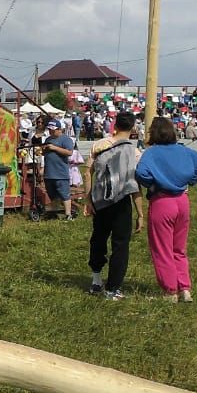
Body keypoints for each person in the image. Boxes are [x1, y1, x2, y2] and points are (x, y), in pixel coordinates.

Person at [135, 117, 197, 302]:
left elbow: (140, 174)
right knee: (179, 248)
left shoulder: (151, 153)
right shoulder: (183, 150)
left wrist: (153, 183)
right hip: (182, 201)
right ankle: (184, 288)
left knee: (162, 249)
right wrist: (190, 180)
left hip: (162, 201)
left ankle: (170, 291)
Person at [84, 112, 143, 300]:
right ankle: (113, 288)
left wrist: (88, 199)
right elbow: (134, 184)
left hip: (100, 199)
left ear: (115, 125)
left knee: (98, 238)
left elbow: (87, 172)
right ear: (133, 128)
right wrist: (140, 212)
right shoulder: (133, 152)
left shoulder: (99, 145)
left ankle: (95, 279)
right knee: (120, 244)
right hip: (122, 200)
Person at [41, 119, 76, 220]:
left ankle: (68, 214)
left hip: (60, 172)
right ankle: (54, 213)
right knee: (52, 195)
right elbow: (46, 154)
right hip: (49, 172)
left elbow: (69, 152)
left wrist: (55, 148)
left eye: (53, 130)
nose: (51, 131)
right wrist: (43, 151)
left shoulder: (66, 139)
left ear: (59, 129)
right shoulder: (48, 140)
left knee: (64, 194)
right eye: (50, 130)